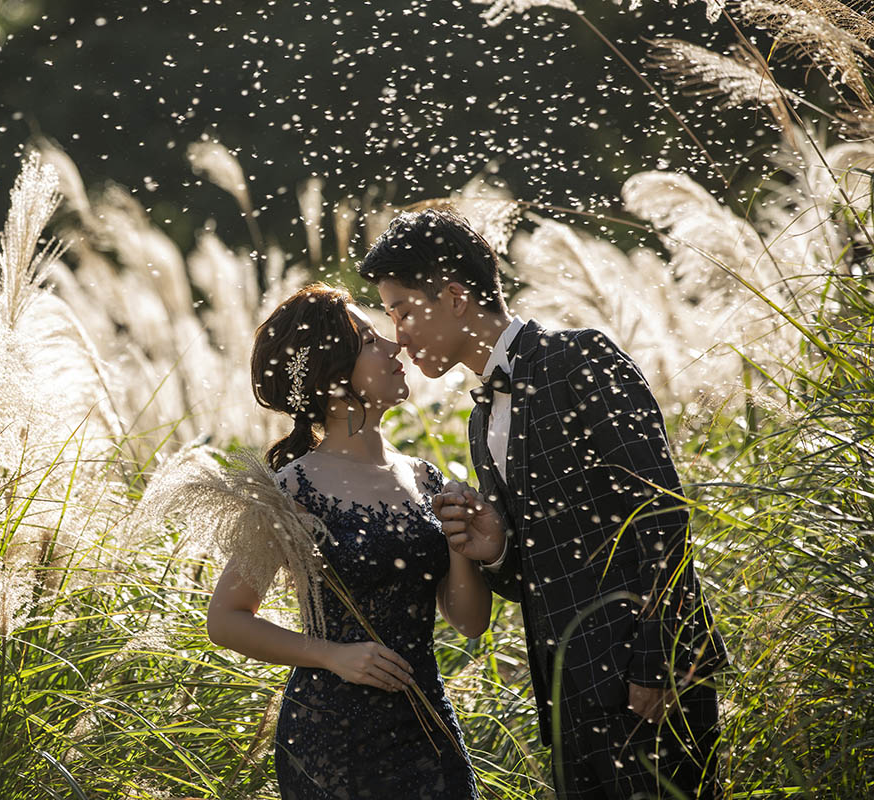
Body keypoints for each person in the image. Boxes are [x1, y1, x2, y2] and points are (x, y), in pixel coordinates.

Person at [360, 207, 729, 800]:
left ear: (455, 297)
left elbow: (661, 514)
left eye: (402, 310)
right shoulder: (482, 418)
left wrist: (658, 663)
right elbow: (544, 566)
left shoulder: (579, 358)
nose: (397, 335)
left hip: (650, 679)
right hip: (569, 695)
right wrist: (498, 547)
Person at [206, 282, 497, 798]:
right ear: (333, 376)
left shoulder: (425, 478)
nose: (395, 347)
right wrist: (330, 655)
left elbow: (469, 622)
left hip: (427, 723)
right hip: (332, 735)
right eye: (369, 341)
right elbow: (226, 619)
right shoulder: (292, 489)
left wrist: (459, 544)